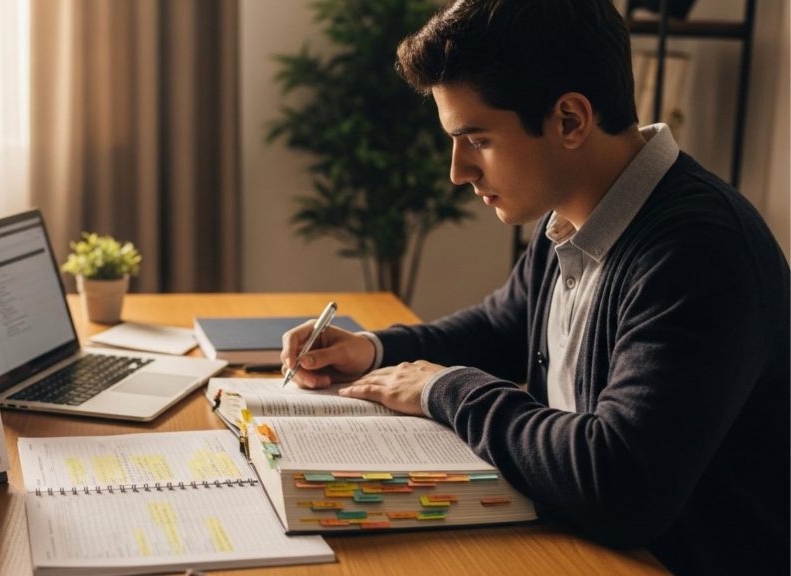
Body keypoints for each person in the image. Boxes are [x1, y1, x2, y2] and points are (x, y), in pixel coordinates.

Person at [279, 1, 790, 573]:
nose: (458, 171)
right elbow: (503, 325)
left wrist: (445, 389)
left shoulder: (698, 252)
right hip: (577, 544)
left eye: (477, 139)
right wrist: (373, 349)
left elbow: (620, 486)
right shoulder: (576, 210)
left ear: (570, 120)